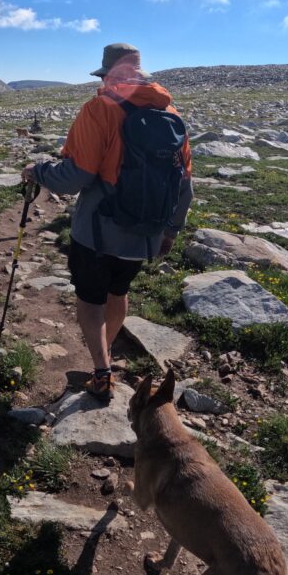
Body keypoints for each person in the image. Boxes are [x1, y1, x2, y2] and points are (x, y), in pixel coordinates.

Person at [22, 43, 193, 402]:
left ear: (106, 75)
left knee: (90, 298)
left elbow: (76, 177)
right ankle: (105, 354)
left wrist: (38, 171)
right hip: (145, 233)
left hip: (98, 231)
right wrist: (171, 231)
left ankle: (101, 372)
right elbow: (184, 184)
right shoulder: (170, 113)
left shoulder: (99, 109)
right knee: (119, 291)